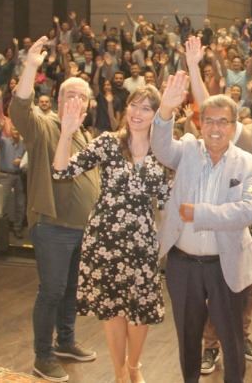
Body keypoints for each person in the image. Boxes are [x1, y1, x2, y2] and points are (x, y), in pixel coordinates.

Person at [183, 35, 252, 371]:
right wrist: (193, 66)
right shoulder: (236, 130)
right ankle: (211, 345)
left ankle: (241, 335)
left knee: (249, 287)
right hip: (225, 223)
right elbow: (207, 104)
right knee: (219, 286)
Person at [52, 86, 170, 383]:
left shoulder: (164, 151)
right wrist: (66, 134)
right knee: (112, 309)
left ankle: (134, 366)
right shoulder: (108, 142)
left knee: (140, 309)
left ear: (157, 115)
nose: (137, 112)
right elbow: (62, 171)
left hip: (142, 239)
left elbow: (168, 200)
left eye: (146, 108)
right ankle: (119, 372)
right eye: (133, 105)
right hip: (104, 238)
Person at [151, 72, 252, 383]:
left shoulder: (249, 164)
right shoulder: (187, 148)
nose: (215, 128)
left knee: (232, 337)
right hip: (183, 263)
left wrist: (198, 213)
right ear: (200, 124)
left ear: (234, 127)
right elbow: (160, 148)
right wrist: (165, 110)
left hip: (225, 263)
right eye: (209, 120)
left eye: (223, 121)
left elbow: (247, 212)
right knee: (187, 335)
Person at [10, 35, 100, 383]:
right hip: (52, 226)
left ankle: (65, 342)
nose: (75, 100)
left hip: (81, 229)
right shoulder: (45, 126)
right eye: (69, 95)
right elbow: (20, 108)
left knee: (70, 290)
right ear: (59, 100)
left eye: (81, 96)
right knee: (51, 291)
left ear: (88, 104)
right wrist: (30, 67)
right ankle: (43, 357)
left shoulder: (85, 136)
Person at [0, 118, 27, 239]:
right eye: (14, 129)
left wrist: (21, 160)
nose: (16, 132)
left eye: (18, 130)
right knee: (2, 203)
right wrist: (1, 128)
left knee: (20, 203)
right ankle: (0, 229)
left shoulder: (24, 144)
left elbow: (27, 158)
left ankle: (18, 228)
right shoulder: (4, 142)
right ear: (10, 131)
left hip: (19, 176)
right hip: (5, 176)